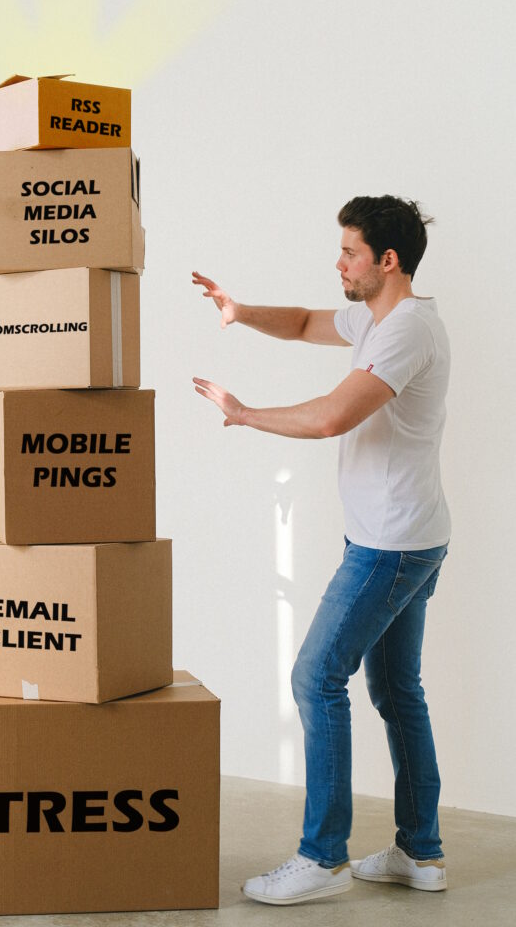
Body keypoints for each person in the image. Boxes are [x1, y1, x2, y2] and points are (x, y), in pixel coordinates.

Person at [193, 195, 451, 906]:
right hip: (406, 536)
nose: (338, 262)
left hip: (389, 545)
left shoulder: (406, 331)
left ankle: (322, 857)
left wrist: (245, 415)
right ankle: (420, 854)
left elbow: (335, 415)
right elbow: (307, 323)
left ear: (386, 260)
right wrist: (240, 311)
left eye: (349, 252)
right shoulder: (375, 320)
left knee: (315, 679)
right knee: (399, 692)